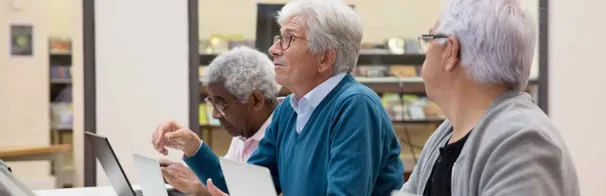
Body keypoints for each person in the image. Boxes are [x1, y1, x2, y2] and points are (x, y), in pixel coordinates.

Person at [152, 0, 405, 195]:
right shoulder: (289, 110)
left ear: (325, 58)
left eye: (288, 39)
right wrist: (193, 146)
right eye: (278, 38)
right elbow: (244, 187)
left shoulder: (354, 107)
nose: (273, 49)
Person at [400, 1, 580, 196]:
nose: (426, 51)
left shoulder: (520, 145)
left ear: (451, 51)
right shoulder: (446, 135)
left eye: (430, 38)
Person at [156, 46, 282, 195]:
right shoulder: (245, 131)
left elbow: (244, 190)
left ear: (255, 100)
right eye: (212, 103)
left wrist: (201, 189)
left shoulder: (286, 130)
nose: (215, 114)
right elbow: (226, 180)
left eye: (221, 105)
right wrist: (190, 171)